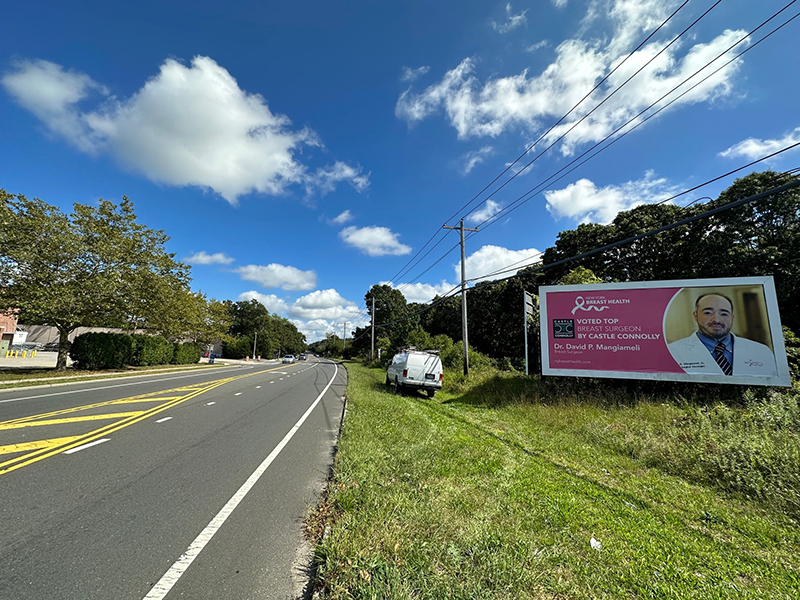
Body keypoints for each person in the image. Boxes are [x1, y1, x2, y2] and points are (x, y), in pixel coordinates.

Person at [668, 292, 777, 377]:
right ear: (695, 316)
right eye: (708, 313)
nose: (716, 319)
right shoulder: (672, 352)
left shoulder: (761, 351)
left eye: (724, 314)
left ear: (732, 318)